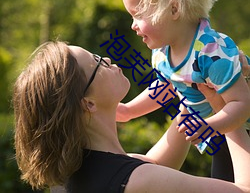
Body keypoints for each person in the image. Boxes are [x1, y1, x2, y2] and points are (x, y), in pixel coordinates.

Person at [13, 41, 250, 193]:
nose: (106, 59)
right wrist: (227, 107)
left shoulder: (72, 178)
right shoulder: (138, 181)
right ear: (88, 103)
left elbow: (155, 164)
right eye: (97, 63)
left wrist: (189, 81)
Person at [120, 0, 250, 182]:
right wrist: (129, 110)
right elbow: (166, 86)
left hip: (240, 132)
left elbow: (242, 103)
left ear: (173, 10)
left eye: (138, 15)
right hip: (218, 134)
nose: (133, 25)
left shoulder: (210, 52)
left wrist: (208, 125)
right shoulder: (162, 51)